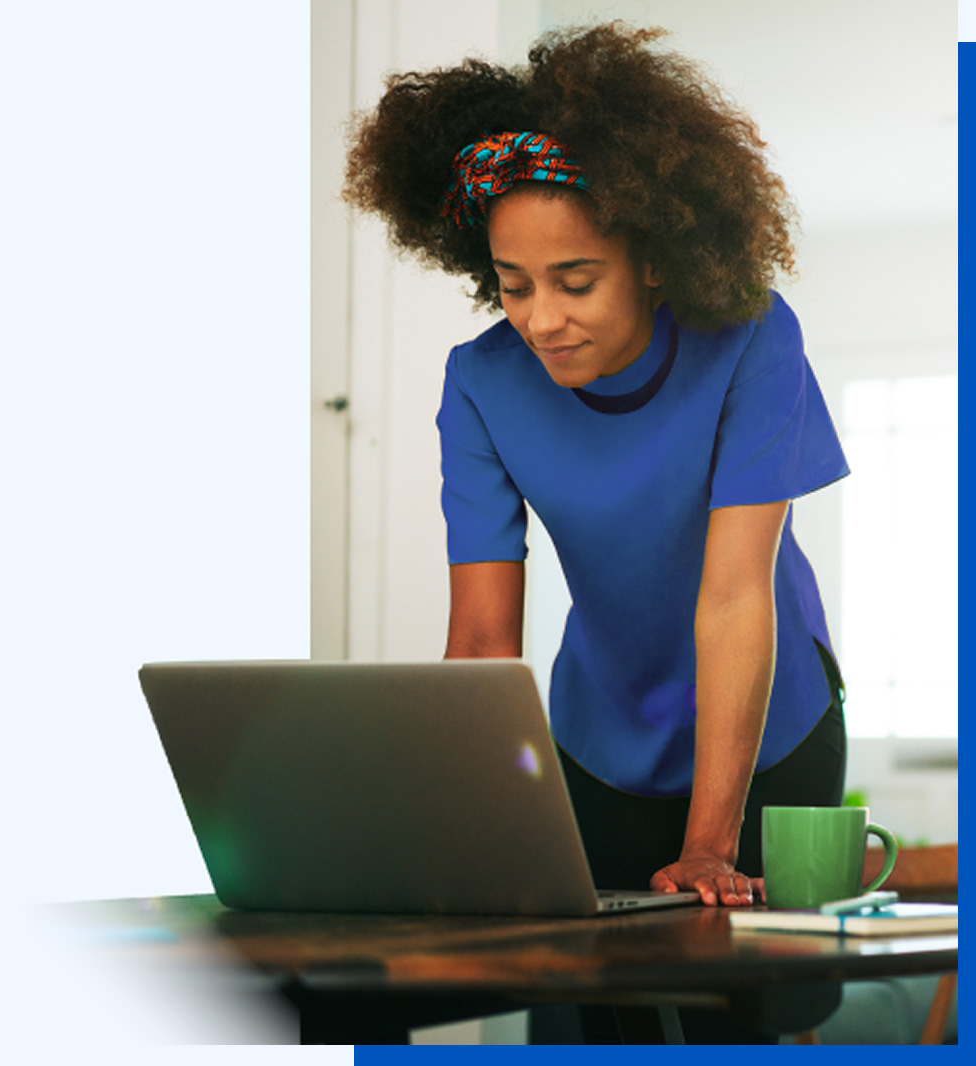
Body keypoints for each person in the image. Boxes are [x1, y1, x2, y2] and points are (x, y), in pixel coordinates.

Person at [343, 22, 849, 1043]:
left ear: (655, 257)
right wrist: (455, 835)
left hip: (771, 728)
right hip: (598, 739)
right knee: (599, 1018)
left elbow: (735, 591)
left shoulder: (751, 334)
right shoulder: (479, 384)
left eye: (574, 280)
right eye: (512, 283)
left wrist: (710, 842)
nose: (539, 318)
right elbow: (482, 641)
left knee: (732, 1019)